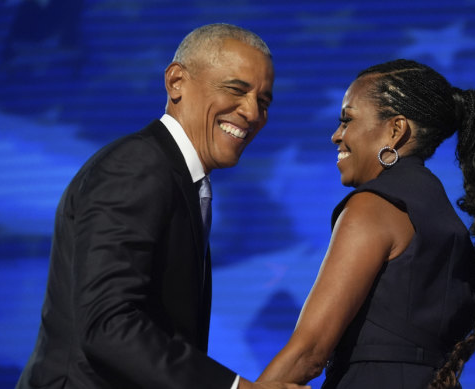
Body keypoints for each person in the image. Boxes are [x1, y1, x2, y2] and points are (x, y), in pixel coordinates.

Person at [16, 23, 308, 389]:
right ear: (176, 82)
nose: (252, 112)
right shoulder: (138, 166)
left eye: (263, 101)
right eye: (236, 89)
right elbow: (108, 323)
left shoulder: (177, 177)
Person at [257, 59, 475, 388]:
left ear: (395, 130)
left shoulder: (373, 207)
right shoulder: (443, 217)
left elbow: (309, 352)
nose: (336, 135)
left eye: (347, 120)